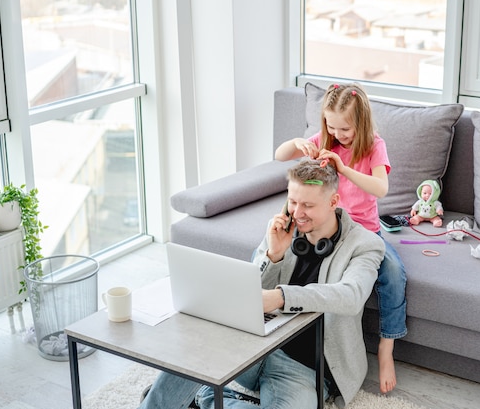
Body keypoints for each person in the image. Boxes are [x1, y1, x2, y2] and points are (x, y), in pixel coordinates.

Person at [139, 159, 384, 409]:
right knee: (196, 347)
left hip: (304, 368)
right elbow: (249, 290)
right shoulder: (280, 228)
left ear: (333, 202)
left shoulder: (364, 245)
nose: (297, 213)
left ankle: (207, 397)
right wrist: (273, 255)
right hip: (256, 347)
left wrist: (282, 297)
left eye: (308, 205)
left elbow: (351, 296)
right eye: (293, 201)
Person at [274, 82, 407, 394]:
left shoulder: (375, 146)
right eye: (330, 127)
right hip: (329, 227)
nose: (337, 135)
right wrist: (296, 142)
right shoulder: (325, 140)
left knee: (393, 272)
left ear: (360, 123)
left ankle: (386, 349)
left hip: (362, 231)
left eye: (344, 129)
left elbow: (381, 188)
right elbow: (280, 155)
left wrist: (343, 169)